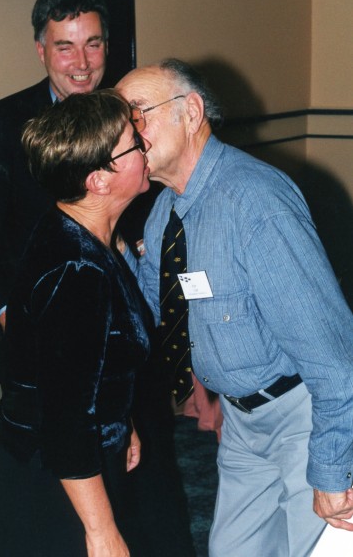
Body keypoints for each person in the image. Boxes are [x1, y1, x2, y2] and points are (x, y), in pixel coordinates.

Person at [116, 58, 353, 556]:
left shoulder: (254, 203)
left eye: (137, 112)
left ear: (191, 112)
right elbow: (145, 314)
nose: (127, 129)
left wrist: (334, 466)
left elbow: (334, 355)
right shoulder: (165, 212)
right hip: (243, 427)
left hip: (304, 416)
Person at [0, 89, 152, 556]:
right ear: (99, 179)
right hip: (50, 479)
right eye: (134, 142)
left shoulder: (78, 233)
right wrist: (101, 531)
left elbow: (86, 368)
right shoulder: (76, 270)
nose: (146, 146)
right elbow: (65, 419)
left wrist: (123, 420)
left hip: (69, 461)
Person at [0, 0, 109, 383]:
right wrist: (7, 315)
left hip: (113, 329)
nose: (82, 63)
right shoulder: (2, 125)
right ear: (41, 51)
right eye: (65, 47)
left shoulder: (129, 115)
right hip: (33, 336)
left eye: (93, 44)